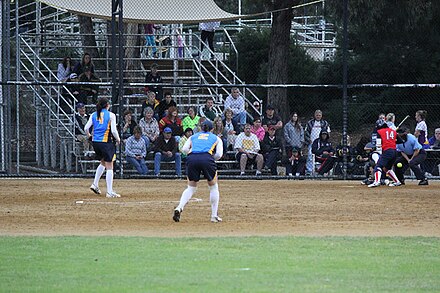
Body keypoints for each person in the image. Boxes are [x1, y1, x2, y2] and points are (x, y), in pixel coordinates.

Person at [173, 120, 224, 223]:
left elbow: (184, 149)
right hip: (207, 157)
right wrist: (210, 158)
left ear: (200, 128)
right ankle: (214, 216)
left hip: (192, 158)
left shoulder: (193, 136)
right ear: (212, 129)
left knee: (191, 187)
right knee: (213, 187)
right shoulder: (216, 138)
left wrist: (193, 153)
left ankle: (179, 207)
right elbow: (219, 154)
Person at [84, 97, 121, 198]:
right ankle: (109, 192)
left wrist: (89, 137)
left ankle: (95, 184)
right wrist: (118, 140)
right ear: (107, 105)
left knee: (103, 162)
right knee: (110, 166)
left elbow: (86, 128)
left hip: (96, 142)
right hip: (105, 142)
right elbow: (113, 131)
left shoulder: (93, 114)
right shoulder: (111, 115)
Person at [368, 119, 401, 188]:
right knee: (387, 169)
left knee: (378, 166)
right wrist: (391, 140)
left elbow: (378, 144)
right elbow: (400, 141)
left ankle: (376, 182)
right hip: (394, 152)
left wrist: (378, 151)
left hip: (387, 151)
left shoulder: (379, 132)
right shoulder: (393, 131)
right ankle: (397, 182)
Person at [304, 110, 331, 175]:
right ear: (314, 115)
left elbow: (328, 132)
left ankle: (320, 169)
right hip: (312, 142)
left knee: (321, 156)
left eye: (319, 115)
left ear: (321, 116)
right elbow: (306, 132)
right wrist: (308, 139)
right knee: (310, 156)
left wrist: (326, 140)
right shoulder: (310, 123)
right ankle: (309, 171)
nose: (318, 116)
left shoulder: (325, 123)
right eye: (317, 115)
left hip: (322, 143)